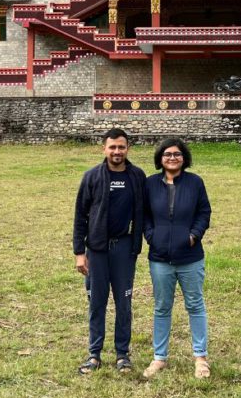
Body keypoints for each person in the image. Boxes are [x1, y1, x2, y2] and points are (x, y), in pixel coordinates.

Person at [72, 128, 146, 374]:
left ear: (128, 149)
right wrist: (79, 252)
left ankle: (122, 354)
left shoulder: (136, 176)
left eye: (121, 147)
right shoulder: (92, 177)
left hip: (124, 248)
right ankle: (94, 354)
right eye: (112, 147)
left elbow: (145, 212)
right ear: (104, 148)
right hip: (97, 250)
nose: (117, 151)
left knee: (123, 303)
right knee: (97, 302)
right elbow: (80, 216)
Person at [142, 137, 212, 380]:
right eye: (167, 154)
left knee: (195, 304)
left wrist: (194, 235)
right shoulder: (150, 184)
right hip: (160, 257)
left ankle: (200, 357)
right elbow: (145, 215)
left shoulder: (195, 182)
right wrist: (152, 236)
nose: (172, 158)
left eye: (177, 154)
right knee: (162, 307)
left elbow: (204, 212)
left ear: (184, 157)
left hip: (190, 256)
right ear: (160, 159)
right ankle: (159, 357)